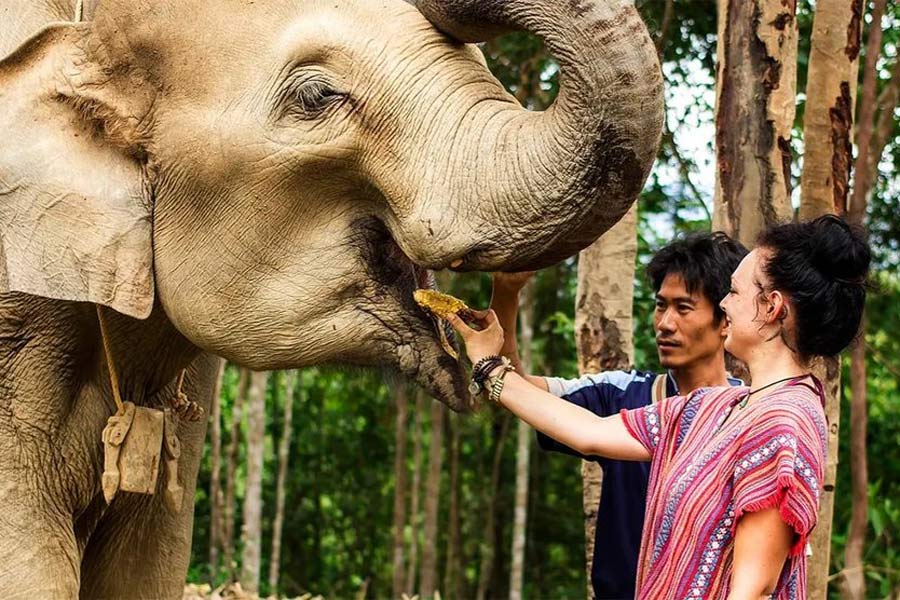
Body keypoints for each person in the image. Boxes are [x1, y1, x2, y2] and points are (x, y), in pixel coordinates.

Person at [449, 215, 870, 599]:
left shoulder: (784, 421)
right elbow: (589, 431)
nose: (725, 303)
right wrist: (489, 366)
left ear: (773, 307)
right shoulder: (715, 407)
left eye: (735, 292)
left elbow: (753, 590)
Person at [489, 232, 747, 599]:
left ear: (725, 319)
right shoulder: (624, 395)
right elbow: (515, 390)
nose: (665, 323)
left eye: (684, 308)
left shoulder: (751, 414)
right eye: (661, 306)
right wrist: (506, 293)